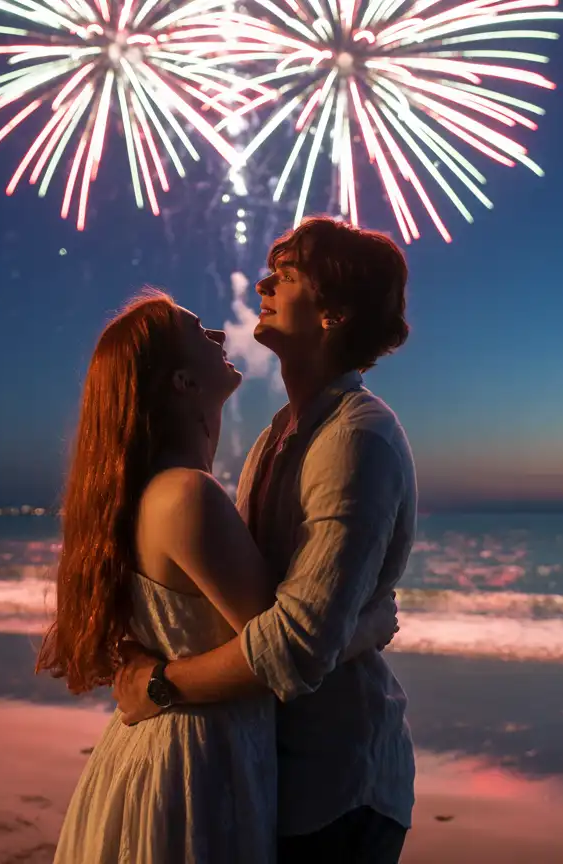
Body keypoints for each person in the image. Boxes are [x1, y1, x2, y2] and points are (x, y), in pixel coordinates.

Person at [39, 288, 399, 864]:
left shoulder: (148, 494)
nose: (217, 336)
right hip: (194, 763)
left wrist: (157, 681)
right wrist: (376, 620)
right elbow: (285, 651)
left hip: (161, 748)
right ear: (181, 382)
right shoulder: (187, 494)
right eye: (198, 331)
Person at [114, 217, 418, 864]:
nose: (261, 282)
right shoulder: (280, 436)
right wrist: (363, 626)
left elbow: (297, 648)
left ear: (333, 311)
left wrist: (161, 684)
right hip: (276, 773)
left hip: (337, 786)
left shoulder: (356, 439)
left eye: (286, 273)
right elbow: (270, 626)